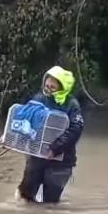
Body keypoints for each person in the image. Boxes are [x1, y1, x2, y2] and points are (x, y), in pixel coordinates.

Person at [16, 66, 85, 204]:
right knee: (25, 198)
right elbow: (25, 120)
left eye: (52, 87)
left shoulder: (71, 105)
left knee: (50, 205)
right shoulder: (39, 99)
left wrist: (55, 149)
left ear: (62, 88)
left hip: (61, 162)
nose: (48, 90)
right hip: (36, 157)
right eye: (46, 86)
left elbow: (75, 130)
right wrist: (10, 138)